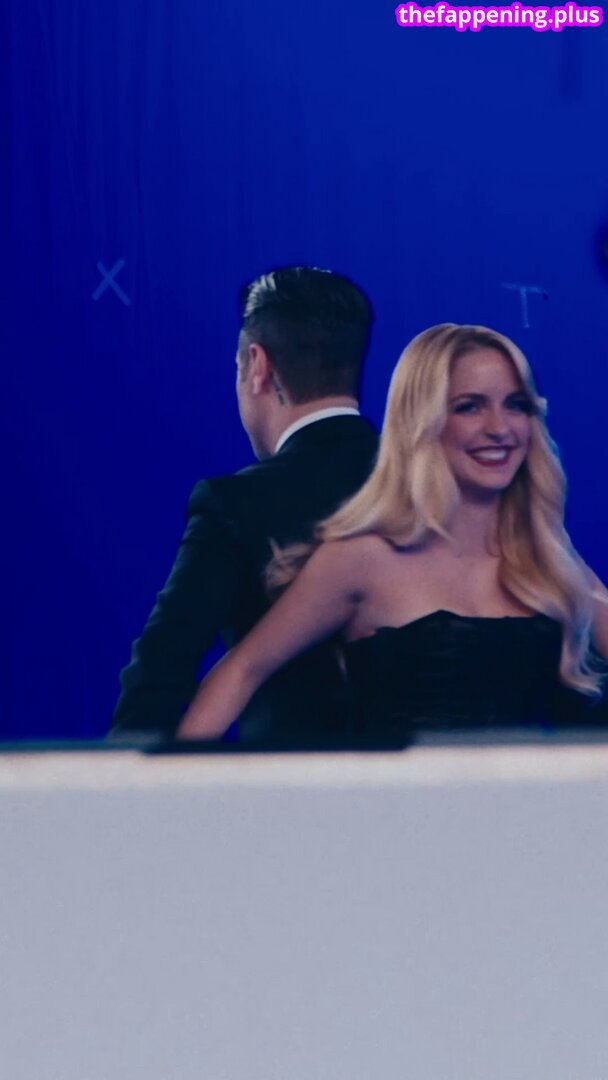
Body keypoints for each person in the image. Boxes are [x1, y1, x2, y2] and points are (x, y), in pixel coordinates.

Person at [176, 323, 608, 741]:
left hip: (536, 793)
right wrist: (174, 782)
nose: (500, 428)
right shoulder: (360, 559)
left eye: (516, 405)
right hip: (398, 793)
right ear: (421, 420)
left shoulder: (546, 556)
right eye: (469, 406)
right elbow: (243, 669)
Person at [110, 266, 378, 741]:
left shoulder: (234, 504)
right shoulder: (434, 486)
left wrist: (119, 780)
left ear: (257, 365)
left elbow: (158, 678)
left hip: (284, 785)